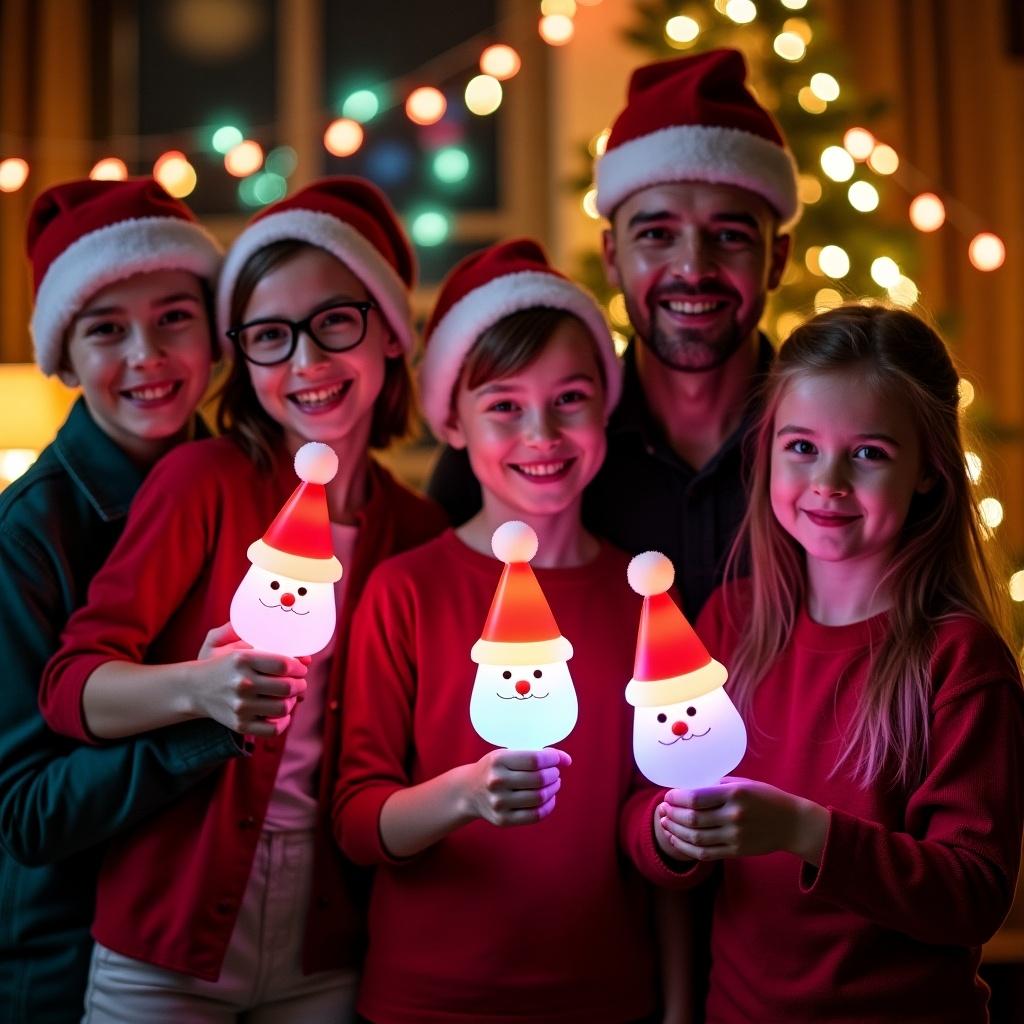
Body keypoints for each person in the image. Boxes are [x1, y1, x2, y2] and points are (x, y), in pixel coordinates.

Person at [38, 177, 448, 1022]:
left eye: (336, 321)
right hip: (168, 935)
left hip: (327, 940)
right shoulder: (203, 483)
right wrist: (197, 686)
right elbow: (72, 687)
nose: (306, 362)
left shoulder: (416, 530)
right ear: (245, 356)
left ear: (391, 334)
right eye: (270, 336)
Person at [334, 239, 693, 1024]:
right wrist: (464, 794)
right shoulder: (407, 592)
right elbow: (361, 820)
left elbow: (652, 811)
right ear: (453, 423)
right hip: (425, 1002)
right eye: (504, 406)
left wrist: (675, 1003)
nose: (542, 433)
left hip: (606, 999)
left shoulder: (646, 596)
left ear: (606, 404)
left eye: (570, 398)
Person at [657, 304, 1024, 1023]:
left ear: (929, 471)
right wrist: (665, 834)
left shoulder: (960, 661)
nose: (827, 481)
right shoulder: (728, 623)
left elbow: (974, 893)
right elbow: (652, 800)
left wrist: (806, 832)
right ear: (767, 453)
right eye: (801, 447)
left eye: (868, 453)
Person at [428, 48, 797, 620]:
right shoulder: (535, 447)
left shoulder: (827, 444)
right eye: (656, 235)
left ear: (777, 259)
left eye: (729, 236)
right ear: (612, 257)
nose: (693, 268)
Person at [0, 177, 237, 1023]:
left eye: (174, 316)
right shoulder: (29, 536)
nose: (148, 356)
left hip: (239, 948)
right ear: (65, 358)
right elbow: (25, 811)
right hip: (71, 960)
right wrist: (203, 724)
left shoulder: (257, 487)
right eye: (108, 330)